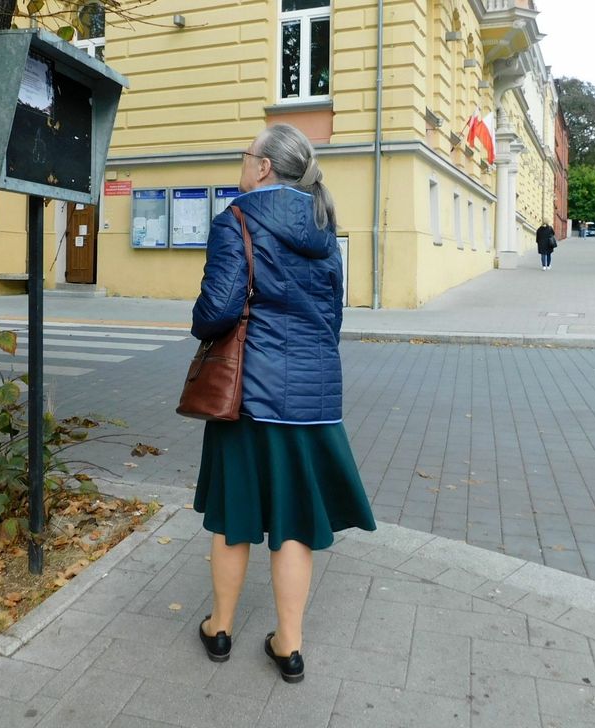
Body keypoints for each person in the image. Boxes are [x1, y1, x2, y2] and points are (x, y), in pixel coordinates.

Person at [189, 123, 376, 684]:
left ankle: (219, 627)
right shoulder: (323, 223)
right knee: (294, 521)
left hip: (247, 392)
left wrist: (199, 320)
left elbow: (217, 311)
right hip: (312, 394)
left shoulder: (238, 218)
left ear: (265, 167)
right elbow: (333, 316)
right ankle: (288, 646)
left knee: (234, 515)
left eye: (246, 155)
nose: (242, 164)